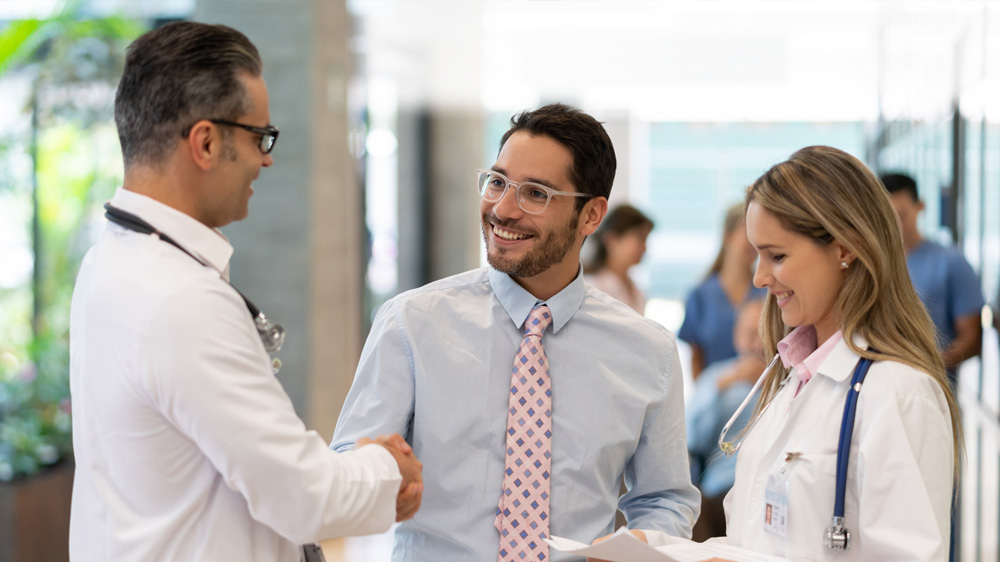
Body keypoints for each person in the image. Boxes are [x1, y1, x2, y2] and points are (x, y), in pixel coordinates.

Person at [68, 22, 422, 562]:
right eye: (260, 137)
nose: (267, 159)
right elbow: (304, 497)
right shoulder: (180, 301)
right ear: (206, 142)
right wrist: (387, 469)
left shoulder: (111, 261)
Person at [331, 103, 699, 561]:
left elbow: (664, 499)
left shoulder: (649, 352)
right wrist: (380, 478)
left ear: (591, 215)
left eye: (537, 194)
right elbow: (349, 468)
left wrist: (641, 546)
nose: (503, 209)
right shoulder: (411, 323)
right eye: (498, 182)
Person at [691, 146, 961, 561]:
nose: (760, 278)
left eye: (777, 256)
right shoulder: (792, 379)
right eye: (756, 255)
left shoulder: (899, 394)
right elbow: (752, 540)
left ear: (845, 248)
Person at [880, 173, 985, 386]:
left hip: (934, 391)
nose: (894, 224)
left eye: (901, 214)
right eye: (886, 215)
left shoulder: (952, 262)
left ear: (921, 206)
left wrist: (925, 367)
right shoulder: (869, 265)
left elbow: (972, 340)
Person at [685, 297, 764, 542]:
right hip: (719, 488)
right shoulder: (716, 378)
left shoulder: (788, 380)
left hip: (762, 488)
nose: (757, 343)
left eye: (763, 334)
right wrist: (723, 385)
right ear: (736, 337)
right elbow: (690, 437)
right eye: (750, 334)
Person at [678, 203, 764, 378]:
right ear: (728, 236)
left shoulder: (768, 291)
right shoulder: (700, 295)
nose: (754, 242)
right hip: (716, 395)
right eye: (748, 233)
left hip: (759, 395)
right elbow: (696, 361)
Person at [583, 204, 655, 314]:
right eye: (640, 238)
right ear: (612, 240)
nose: (644, 248)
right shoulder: (592, 288)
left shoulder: (637, 290)